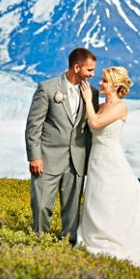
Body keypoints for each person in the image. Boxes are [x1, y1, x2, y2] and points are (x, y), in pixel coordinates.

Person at [76, 66, 140, 275]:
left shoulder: (120, 107)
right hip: (96, 160)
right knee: (98, 200)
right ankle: (96, 236)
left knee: (114, 201)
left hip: (112, 162)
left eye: (105, 81)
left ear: (117, 86)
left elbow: (95, 122)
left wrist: (85, 99)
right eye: (101, 80)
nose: (100, 84)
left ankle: (121, 243)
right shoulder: (100, 106)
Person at [24, 47, 99, 245]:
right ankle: (40, 243)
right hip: (47, 159)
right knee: (41, 205)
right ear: (77, 67)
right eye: (89, 70)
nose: (92, 75)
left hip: (77, 161)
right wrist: (34, 156)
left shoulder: (92, 92)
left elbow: (91, 130)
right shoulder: (47, 89)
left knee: (72, 210)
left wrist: (91, 160)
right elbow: (34, 125)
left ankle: (68, 246)